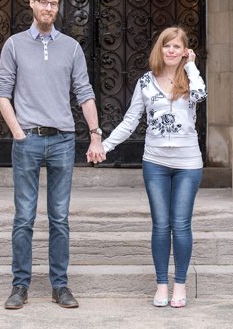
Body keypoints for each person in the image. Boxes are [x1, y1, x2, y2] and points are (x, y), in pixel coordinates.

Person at [0, 0, 105, 310]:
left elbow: (84, 93)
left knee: (59, 217)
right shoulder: (14, 45)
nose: (48, 8)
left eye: (53, 3)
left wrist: (95, 133)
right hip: (27, 139)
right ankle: (20, 286)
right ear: (31, 3)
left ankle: (60, 286)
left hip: (62, 140)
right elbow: (2, 92)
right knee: (24, 217)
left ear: (59, 7)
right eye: (43, 1)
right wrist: (17, 132)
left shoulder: (71, 47)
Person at [94, 26, 207, 308]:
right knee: (160, 225)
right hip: (155, 162)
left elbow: (201, 96)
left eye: (177, 47)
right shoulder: (146, 81)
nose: (171, 51)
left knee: (180, 225)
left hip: (188, 162)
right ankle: (161, 285)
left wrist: (191, 66)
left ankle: (179, 285)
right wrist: (104, 146)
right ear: (160, 49)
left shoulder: (190, 79)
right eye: (167, 46)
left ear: (184, 51)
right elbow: (131, 120)